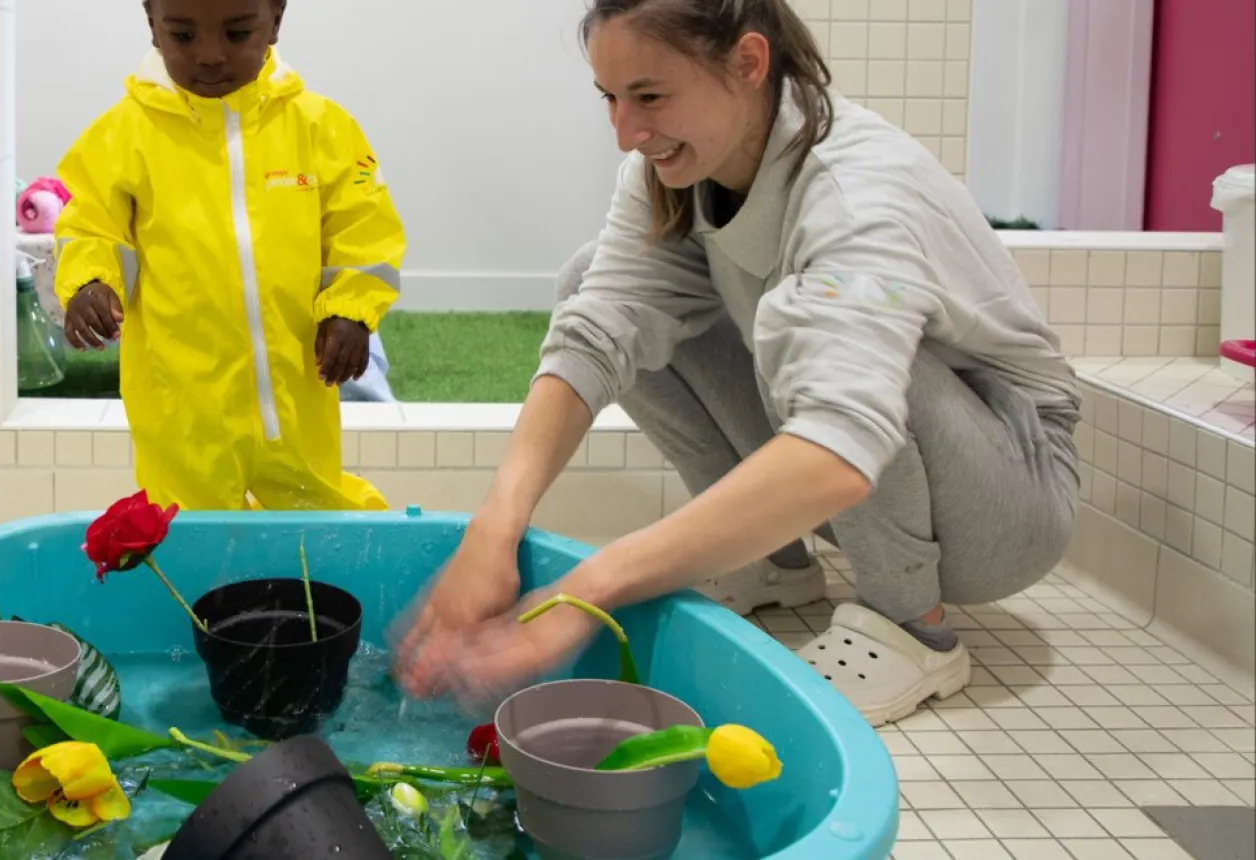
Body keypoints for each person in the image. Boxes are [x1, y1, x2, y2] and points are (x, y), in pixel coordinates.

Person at [395, 0, 1080, 728]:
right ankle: (777, 564)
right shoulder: (676, 170)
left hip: (1009, 491)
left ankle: (913, 626)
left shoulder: (856, 191)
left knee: (821, 335)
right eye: (612, 99)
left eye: (650, 96)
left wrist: (594, 588)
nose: (627, 132)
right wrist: (494, 527)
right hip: (885, 458)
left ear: (749, 64)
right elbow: (598, 330)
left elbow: (840, 448)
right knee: (596, 283)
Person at [55, 0, 406, 511]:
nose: (211, 55)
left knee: (318, 525)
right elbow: (88, 222)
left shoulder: (323, 128)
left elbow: (364, 225)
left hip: (296, 397)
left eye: (238, 33)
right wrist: (89, 281)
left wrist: (351, 307)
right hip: (182, 405)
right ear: (153, 25)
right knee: (186, 537)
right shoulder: (123, 135)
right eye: (184, 36)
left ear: (277, 20)